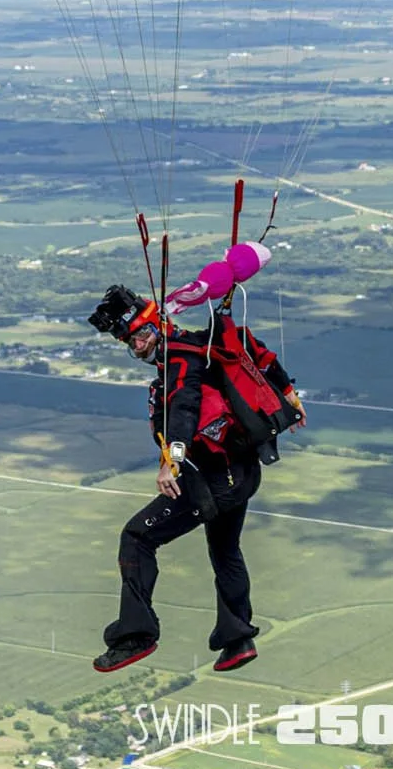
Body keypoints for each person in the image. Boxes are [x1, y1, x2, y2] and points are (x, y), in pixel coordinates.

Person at [87, 282, 301, 674]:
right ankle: (238, 641)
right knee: (225, 551)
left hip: (213, 479)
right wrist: (288, 392)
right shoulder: (202, 345)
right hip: (243, 472)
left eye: (138, 336)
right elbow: (256, 353)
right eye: (128, 341)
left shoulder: (180, 362)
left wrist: (173, 461)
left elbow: (184, 411)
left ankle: (136, 635)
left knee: (136, 537)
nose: (135, 347)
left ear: (157, 325)